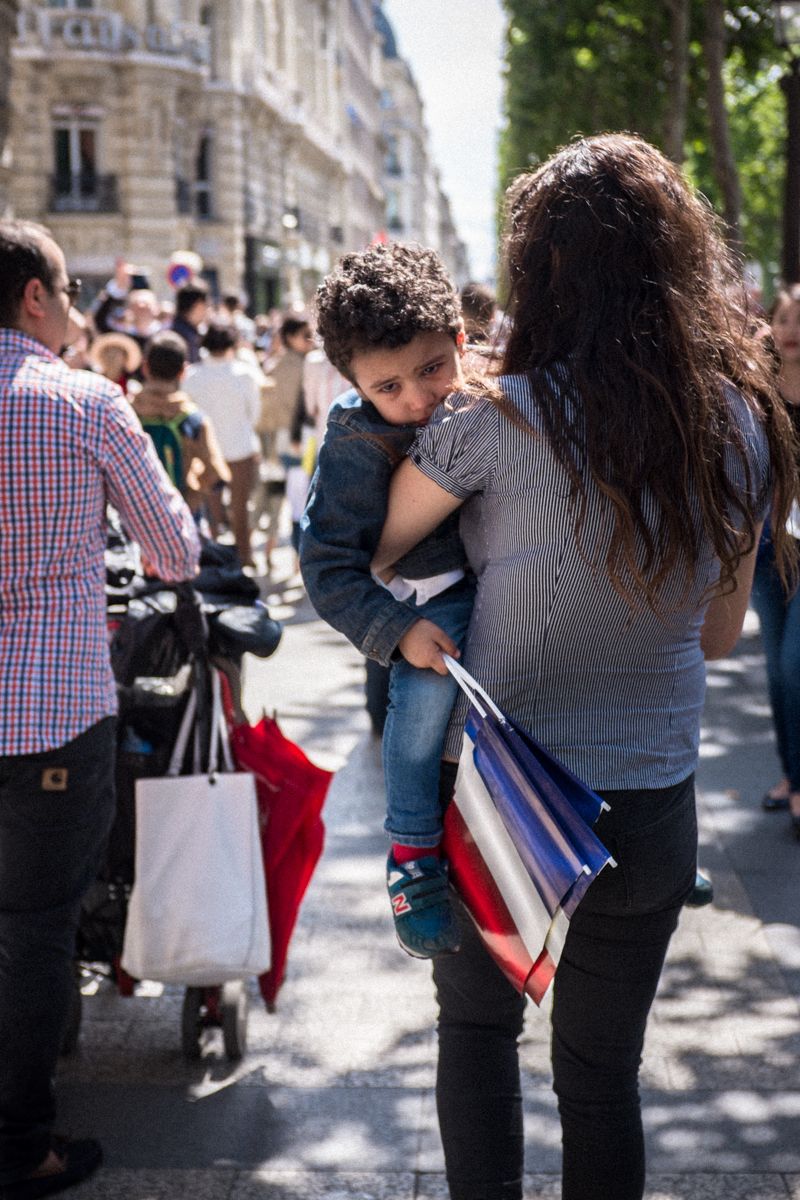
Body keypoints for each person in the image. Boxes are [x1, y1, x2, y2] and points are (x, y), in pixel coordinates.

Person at [371, 135, 797, 1200]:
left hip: (503, 798)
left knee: (475, 1035)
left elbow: (375, 554)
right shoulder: (742, 424)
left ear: (538, 273)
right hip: (650, 802)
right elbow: (715, 638)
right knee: (600, 1075)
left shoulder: (491, 421)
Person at [0, 219, 201, 1198]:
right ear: (34, 298)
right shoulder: (83, 402)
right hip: (49, 712)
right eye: (69, 294)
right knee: (35, 927)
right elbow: (173, 551)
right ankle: (21, 1144)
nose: (78, 312)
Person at [300, 242, 476, 958]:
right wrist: (398, 632)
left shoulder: (494, 394)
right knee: (417, 719)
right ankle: (411, 859)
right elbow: (326, 565)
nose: (415, 400)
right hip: (426, 614)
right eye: (387, 387)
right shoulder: (353, 436)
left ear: (462, 341)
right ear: (353, 384)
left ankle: (644, 842)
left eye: (433, 369)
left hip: (512, 592)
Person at [750, 283, 800, 832]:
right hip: (765, 550)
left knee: (794, 664)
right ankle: (791, 774)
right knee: (777, 672)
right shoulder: (758, 393)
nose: (791, 330)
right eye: (785, 319)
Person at [183, 322, 261, 567]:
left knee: (209, 507)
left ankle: (213, 557)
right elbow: (254, 413)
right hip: (241, 447)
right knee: (241, 507)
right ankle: (244, 556)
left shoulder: (193, 376)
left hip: (205, 451)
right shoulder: (244, 373)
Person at [131, 329, 230, 512]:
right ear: (183, 371)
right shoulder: (192, 419)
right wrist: (189, 500)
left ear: (145, 367)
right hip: (179, 515)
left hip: (133, 516)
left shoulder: (126, 412)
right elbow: (216, 474)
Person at [260, 315, 316, 566]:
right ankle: (297, 560)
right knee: (300, 497)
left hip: (275, 440)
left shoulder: (274, 364)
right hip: (298, 439)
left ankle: (268, 551)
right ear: (292, 337)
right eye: (305, 334)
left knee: (275, 494)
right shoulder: (303, 366)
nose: (310, 340)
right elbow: (301, 408)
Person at [170, 280, 209, 364]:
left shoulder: (179, 328)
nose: (207, 309)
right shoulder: (185, 336)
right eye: (206, 304)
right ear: (198, 305)